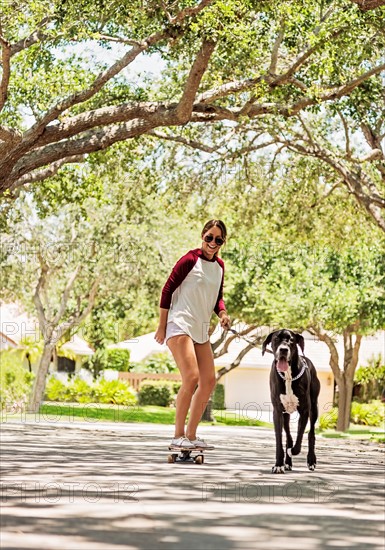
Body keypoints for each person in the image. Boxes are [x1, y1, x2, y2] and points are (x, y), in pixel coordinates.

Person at [154, 219, 231, 449]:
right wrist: (162, 325)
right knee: (192, 377)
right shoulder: (189, 259)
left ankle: (191, 435)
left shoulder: (219, 267)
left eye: (218, 240)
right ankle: (178, 435)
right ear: (202, 235)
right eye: (209, 237)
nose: (213, 243)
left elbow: (217, 296)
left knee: (208, 381)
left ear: (222, 242)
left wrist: (223, 313)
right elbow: (167, 289)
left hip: (200, 328)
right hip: (179, 324)